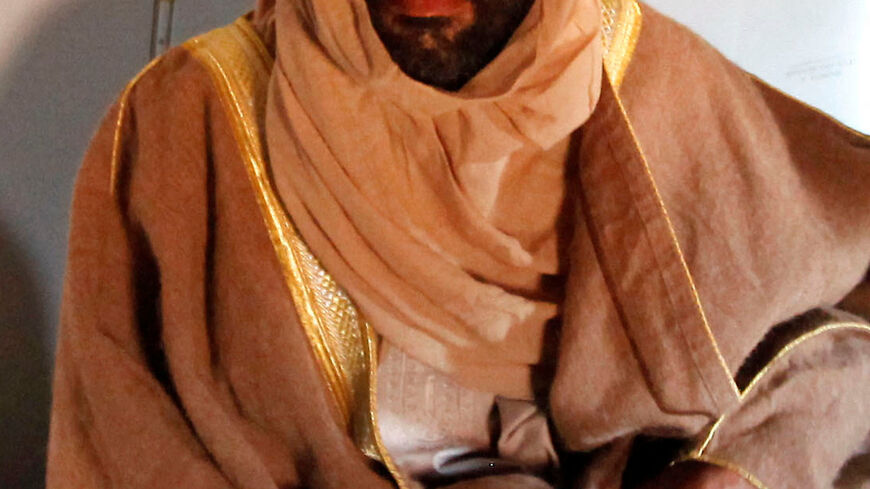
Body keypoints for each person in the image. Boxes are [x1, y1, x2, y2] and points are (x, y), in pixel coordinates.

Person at [47, 0, 870, 488]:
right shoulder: (186, 127)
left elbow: (833, 337)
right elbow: (121, 452)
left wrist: (719, 473)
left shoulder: (640, 76)